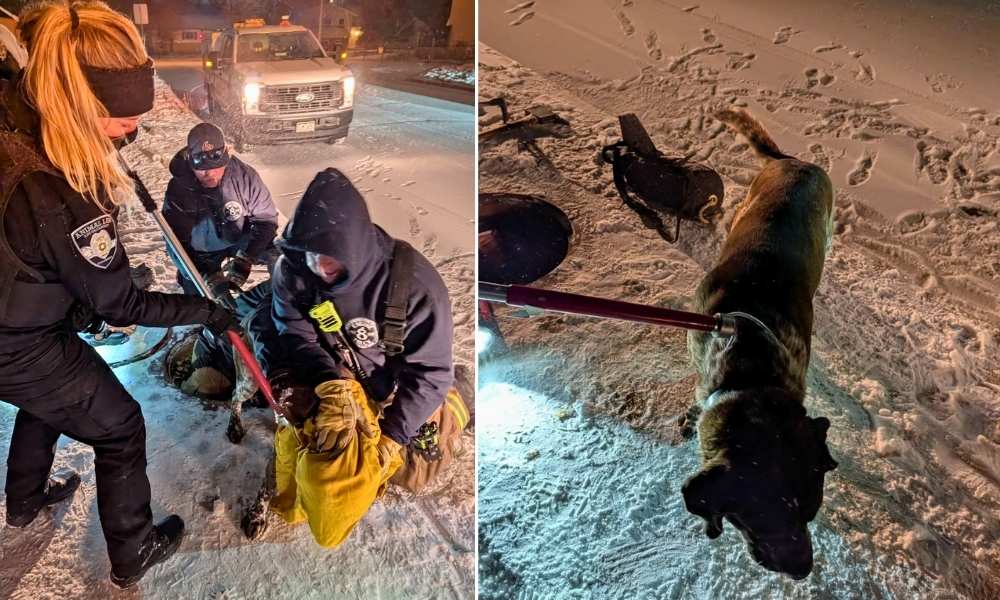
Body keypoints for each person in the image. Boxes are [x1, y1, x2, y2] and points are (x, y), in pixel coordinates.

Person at [0, 1, 235, 589]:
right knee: (120, 427)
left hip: (18, 322)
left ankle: (24, 502)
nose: (131, 131)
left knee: (51, 400)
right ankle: (133, 553)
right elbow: (121, 305)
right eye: (120, 120)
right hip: (17, 342)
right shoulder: (54, 189)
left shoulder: (16, 112)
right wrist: (204, 310)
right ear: (79, 104)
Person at [162, 121, 279, 298]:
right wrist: (204, 274)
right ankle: (193, 278)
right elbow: (176, 243)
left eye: (217, 167)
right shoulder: (179, 189)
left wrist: (247, 257)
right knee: (199, 299)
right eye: (202, 170)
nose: (211, 175)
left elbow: (266, 220)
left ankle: (282, 299)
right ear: (191, 162)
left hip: (239, 238)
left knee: (278, 256)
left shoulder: (245, 176)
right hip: (201, 250)